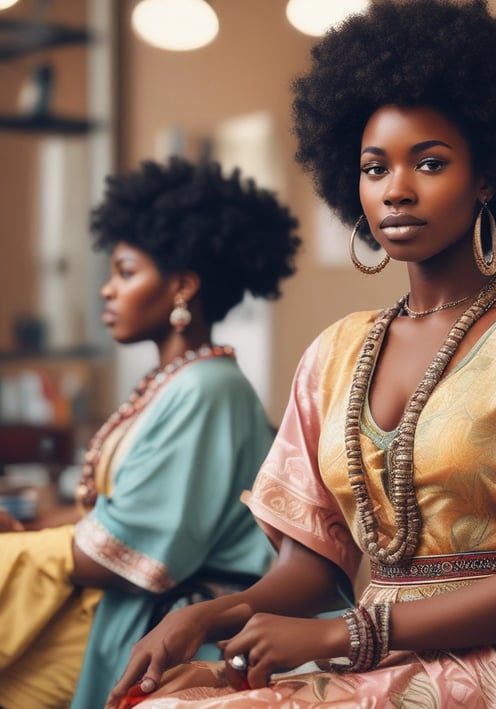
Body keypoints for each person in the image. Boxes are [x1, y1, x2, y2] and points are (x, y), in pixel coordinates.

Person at [106, 2, 496, 707]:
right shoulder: (336, 351)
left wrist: (347, 635)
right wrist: (202, 617)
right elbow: (312, 573)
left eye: (430, 163)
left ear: (486, 176)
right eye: (374, 167)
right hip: (375, 651)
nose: (396, 188)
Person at [0, 156, 301, 709]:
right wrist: (25, 524)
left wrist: (17, 543)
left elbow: (136, 552)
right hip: (137, 620)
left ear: (183, 286)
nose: (107, 291)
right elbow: (119, 511)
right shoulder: (180, 382)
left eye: (125, 271)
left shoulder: (206, 390)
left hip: (177, 636)